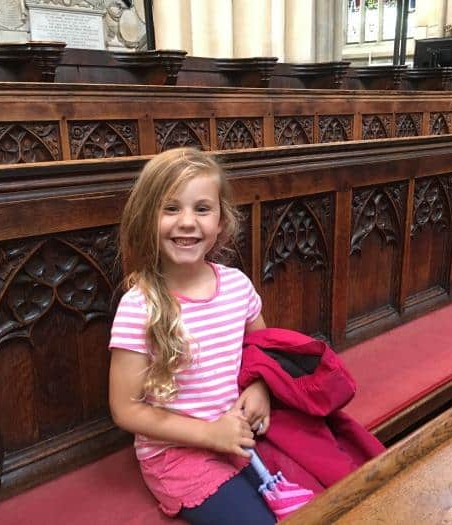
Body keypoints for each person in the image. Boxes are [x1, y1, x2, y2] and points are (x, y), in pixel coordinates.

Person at [108, 148, 276, 524]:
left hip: (235, 432)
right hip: (177, 454)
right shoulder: (141, 306)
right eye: (171, 209)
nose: (187, 222)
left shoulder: (236, 285)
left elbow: (263, 349)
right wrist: (210, 434)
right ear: (146, 219)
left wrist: (261, 388)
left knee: (316, 494)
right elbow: (126, 409)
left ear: (221, 221)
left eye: (202, 209)